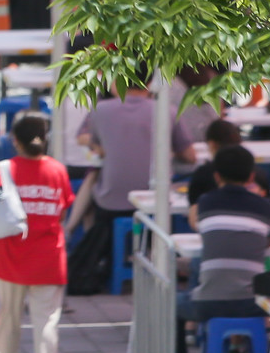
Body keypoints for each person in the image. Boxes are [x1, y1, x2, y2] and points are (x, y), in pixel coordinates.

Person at [66, 72, 195, 296]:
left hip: (110, 202)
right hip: (155, 199)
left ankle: (87, 248)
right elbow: (190, 156)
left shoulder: (100, 110)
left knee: (93, 185)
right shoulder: (167, 111)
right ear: (150, 82)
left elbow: (90, 141)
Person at [0, 114, 71, 353]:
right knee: (46, 319)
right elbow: (62, 211)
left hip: (11, 256)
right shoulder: (58, 171)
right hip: (49, 257)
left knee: (9, 315)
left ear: (15, 140)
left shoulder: (3, 170)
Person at [174, 145, 270, 353]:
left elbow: (203, 230)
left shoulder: (206, 204)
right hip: (253, 303)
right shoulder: (265, 208)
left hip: (208, 303)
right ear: (251, 176)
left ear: (216, 176)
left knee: (171, 303)